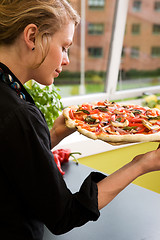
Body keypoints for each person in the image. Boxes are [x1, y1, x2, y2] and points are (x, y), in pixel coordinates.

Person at [0, 0, 160, 239]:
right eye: (64, 47)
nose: (66, 60)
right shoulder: (19, 113)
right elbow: (65, 215)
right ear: (32, 36)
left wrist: (55, 134)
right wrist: (142, 164)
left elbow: (12, 159)